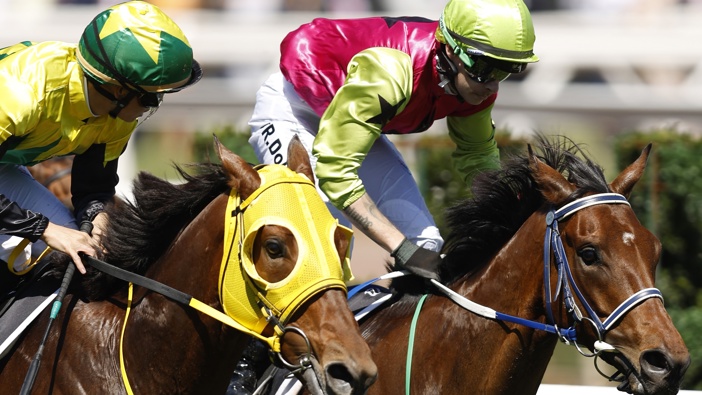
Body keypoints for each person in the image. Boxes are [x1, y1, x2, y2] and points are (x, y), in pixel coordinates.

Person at [238, 0, 539, 393]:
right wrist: (397, 245)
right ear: (450, 50)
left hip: (347, 119)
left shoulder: (473, 85)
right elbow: (335, 172)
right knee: (318, 251)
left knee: (427, 243)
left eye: (509, 70)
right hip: (293, 110)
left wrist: (515, 213)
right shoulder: (392, 71)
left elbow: (478, 158)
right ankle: (246, 363)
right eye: (485, 67)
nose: (492, 84)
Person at [0, 1, 201, 289]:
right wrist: (43, 229)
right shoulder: (23, 94)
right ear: (118, 89)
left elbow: (93, 186)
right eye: (149, 97)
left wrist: (99, 218)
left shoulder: (116, 111)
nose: (152, 106)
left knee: (79, 256)